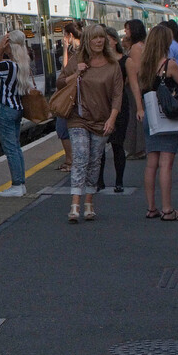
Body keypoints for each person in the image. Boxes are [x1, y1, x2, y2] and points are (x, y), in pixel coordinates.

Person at [56, 24, 122, 222]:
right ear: (87, 41)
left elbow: (118, 95)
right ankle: (75, 205)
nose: (99, 41)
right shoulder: (78, 60)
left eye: (101, 37)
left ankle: (89, 202)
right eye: (94, 38)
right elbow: (60, 82)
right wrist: (76, 73)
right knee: (80, 157)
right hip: (78, 118)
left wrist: (112, 118)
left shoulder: (113, 65)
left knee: (95, 161)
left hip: (102, 120)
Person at [134, 25, 178, 221]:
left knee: (151, 164)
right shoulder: (169, 64)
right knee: (166, 164)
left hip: (150, 114)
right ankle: (167, 209)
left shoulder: (144, 64)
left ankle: (151, 208)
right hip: (167, 117)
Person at [0, 29, 33, 197]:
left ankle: (17, 184)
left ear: (10, 45)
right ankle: (21, 184)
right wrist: (2, 50)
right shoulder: (21, 64)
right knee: (16, 147)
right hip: (16, 108)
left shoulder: (8, 65)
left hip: (5, 109)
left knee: (10, 148)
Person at [97, 27, 129, 193]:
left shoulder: (125, 61)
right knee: (100, 146)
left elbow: (132, 83)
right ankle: (99, 181)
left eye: (106, 39)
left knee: (117, 144)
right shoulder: (100, 61)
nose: (102, 42)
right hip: (102, 105)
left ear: (115, 40)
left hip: (120, 106)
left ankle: (119, 181)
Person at [56, 22, 82, 173]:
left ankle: (71, 161)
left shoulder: (77, 52)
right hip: (71, 94)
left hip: (72, 96)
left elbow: (64, 71)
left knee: (63, 128)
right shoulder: (77, 50)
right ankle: (71, 160)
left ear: (70, 36)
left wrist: (65, 49)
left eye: (65, 35)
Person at [123, 19, 147, 159]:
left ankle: (137, 149)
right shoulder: (142, 45)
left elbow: (135, 70)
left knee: (134, 116)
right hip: (140, 86)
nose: (125, 32)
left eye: (127, 29)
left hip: (135, 87)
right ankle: (136, 148)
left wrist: (125, 79)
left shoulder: (135, 48)